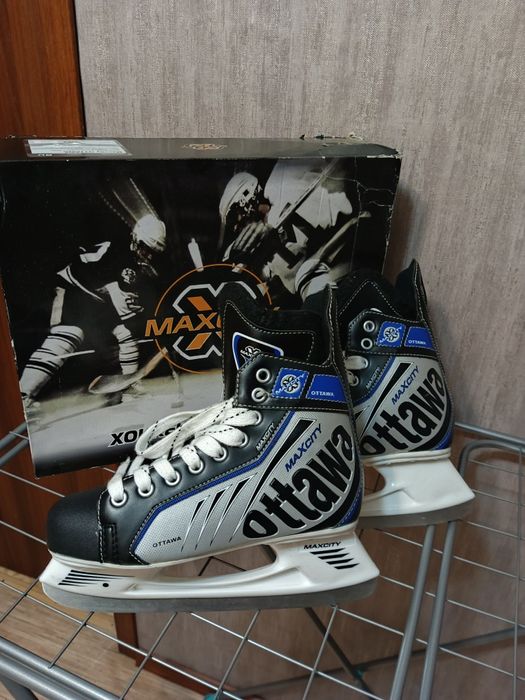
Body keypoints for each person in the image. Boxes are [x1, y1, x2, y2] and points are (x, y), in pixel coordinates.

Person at [20, 213, 167, 410]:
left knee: (126, 335)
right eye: (144, 248)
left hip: (96, 296)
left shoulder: (131, 261)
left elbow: (120, 294)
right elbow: (116, 294)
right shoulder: (118, 254)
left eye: (152, 251)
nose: (147, 255)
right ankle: (23, 395)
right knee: (68, 336)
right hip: (72, 287)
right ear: (134, 238)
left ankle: (128, 387)